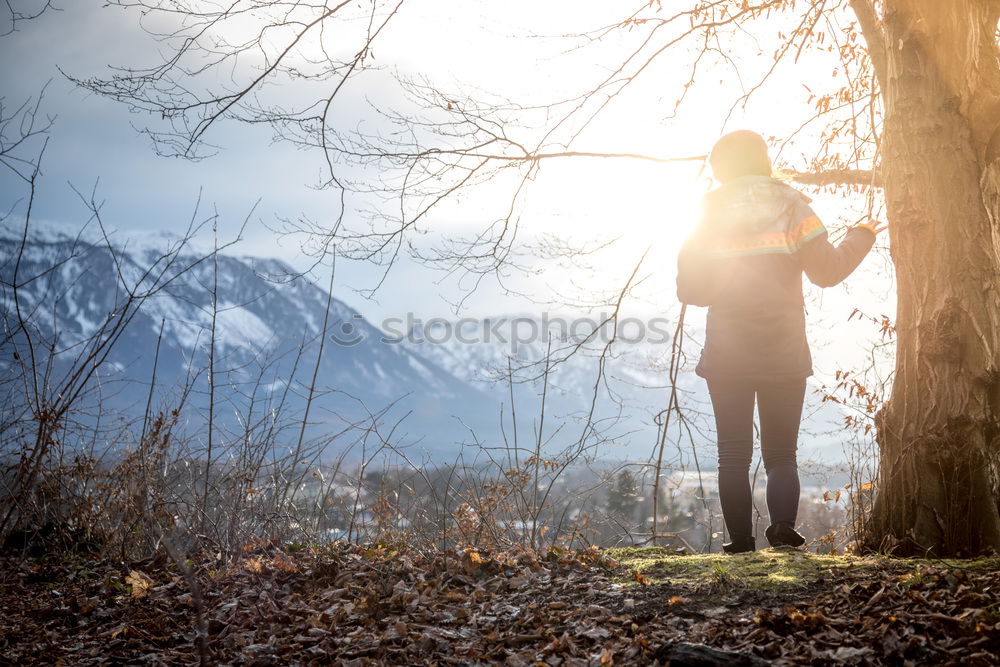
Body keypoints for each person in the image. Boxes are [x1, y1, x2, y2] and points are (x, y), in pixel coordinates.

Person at [676, 130, 885, 553]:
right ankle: (784, 532)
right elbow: (827, 271)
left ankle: (739, 543)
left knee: (732, 455)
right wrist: (861, 234)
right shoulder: (793, 207)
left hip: (728, 353)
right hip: (785, 350)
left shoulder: (707, 215)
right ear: (762, 161)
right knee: (781, 452)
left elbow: (693, 292)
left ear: (721, 168)